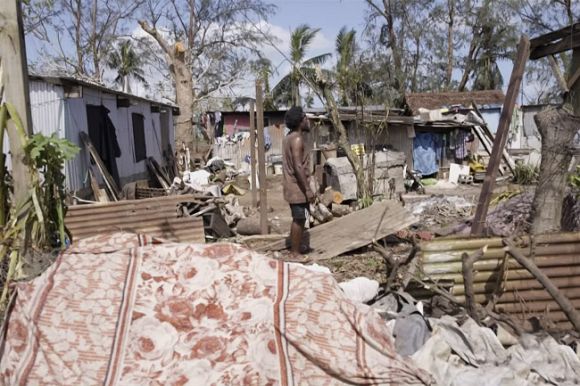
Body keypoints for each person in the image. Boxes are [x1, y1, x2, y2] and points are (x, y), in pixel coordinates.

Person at [282, 106, 314, 258]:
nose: (308, 121)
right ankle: (294, 253)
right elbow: (298, 166)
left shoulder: (289, 137)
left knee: (300, 218)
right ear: (300, 121)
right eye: (305, 118)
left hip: (294, 185)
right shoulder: (296, 139)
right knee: (299, 218)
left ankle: (297, 246)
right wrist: (307, 189)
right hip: (297, 187)